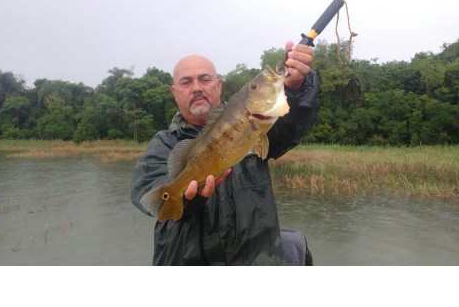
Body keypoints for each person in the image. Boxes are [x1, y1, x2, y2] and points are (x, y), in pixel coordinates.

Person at [131, 40, 320, 265]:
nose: (197, 87)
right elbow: (147, 193)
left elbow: (293, 126)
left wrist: (298, 88)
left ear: (218, 86)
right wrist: (189, 197)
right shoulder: (164, 142)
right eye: (186, 82)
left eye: (205, 79)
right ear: (175, 92)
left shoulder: (259, 126)